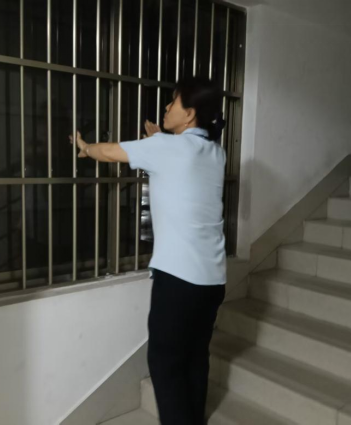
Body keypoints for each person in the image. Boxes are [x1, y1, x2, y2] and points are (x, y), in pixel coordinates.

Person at [70, 77, 227, 425]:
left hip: (179, 280)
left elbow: (108, 152)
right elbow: (179, 159)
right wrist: (160, 140)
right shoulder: (216, 153)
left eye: (174, 102)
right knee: (195, 357)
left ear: (190, 114)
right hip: (213, 280)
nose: (167, 107)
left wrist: (85, 147)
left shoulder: (166, 148)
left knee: (164, 362)